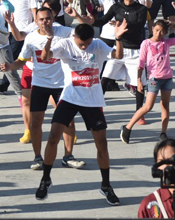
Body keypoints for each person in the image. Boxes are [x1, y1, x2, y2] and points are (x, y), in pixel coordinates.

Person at [35, 22, 123, 206]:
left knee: (102, 144)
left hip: (92, 100)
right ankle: (46, 179)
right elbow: (44, 57)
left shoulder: (97, 44)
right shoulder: (66, 44)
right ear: (74, 37)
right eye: (81, 44)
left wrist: (118, 38)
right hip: (69, 97)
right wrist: (49, 40)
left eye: (87, 44)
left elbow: (117, 55)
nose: (84, 47)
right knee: (53, 137)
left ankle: (106, 186)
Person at [4, 6, 82, 170]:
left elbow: (84, 32)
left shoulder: (65, 31)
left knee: (68, 121)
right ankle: (37, 158)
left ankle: (68, 156)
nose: (45, 22)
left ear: (53, 18)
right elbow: (22, 60)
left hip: (62, 84)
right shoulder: (31, 38)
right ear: (36, 21)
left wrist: (77, 16)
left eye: (48, 18)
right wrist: (11, 66)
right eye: (41, 19)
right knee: (36, 122)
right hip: (39, 84)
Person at [120, 19, 175, 144]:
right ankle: (127, 127)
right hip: (154, 79)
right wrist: (139, 80)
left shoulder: (166, 42)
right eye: (157, 30)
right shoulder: (146, 43)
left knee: (165, 105)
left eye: (162, 31)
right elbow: (141, 63)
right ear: (152, 28)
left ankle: (163, 132)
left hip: (167, 78)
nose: (159, 34)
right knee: (148, 106)